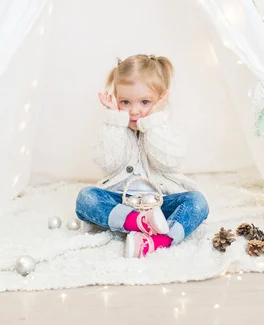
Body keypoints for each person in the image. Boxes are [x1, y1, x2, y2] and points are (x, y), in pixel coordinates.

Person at [75, 54, 209, 258]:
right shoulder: (114, 128)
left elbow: (169, 163)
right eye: (125, 102)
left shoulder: (165, 128)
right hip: (123, 202)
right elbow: (108, 163)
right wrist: (115, 122)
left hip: (161, 203)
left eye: (145, 102)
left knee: (198, 203)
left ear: (161, 100)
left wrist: (154, 121)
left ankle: (158, 241)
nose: (134, 111)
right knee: (86, 198)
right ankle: (137, 223)